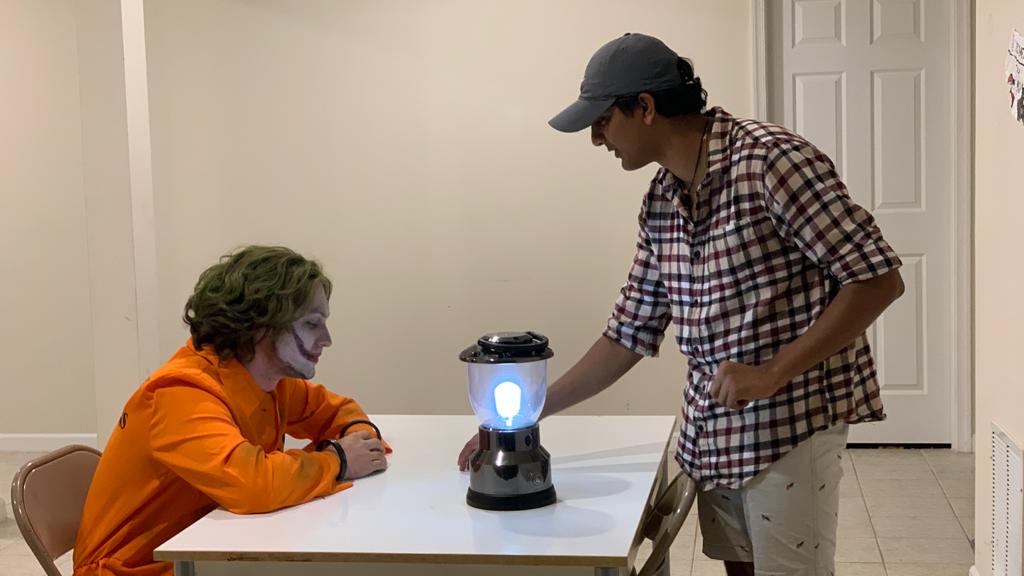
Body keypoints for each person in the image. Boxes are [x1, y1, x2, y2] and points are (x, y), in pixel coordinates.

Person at [458, 33, 904, 576]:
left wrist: (771, 373)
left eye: (603, 121)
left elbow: (877, 280)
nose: (597, 139)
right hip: (714, 429)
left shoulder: (771, 162)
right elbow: (629, 331)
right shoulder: (661, 199)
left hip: (791, 422)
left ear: (645, 107)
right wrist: (521, 419)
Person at [74, 245, 388, 576]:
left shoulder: (269, 380)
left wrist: (360, 443)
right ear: (261, 325)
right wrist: (339, 461)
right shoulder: (182, 391)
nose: (326, 339)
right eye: (312, 323)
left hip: (206, 554)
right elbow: (252, 485)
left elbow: (339, 411)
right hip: (134, 569)